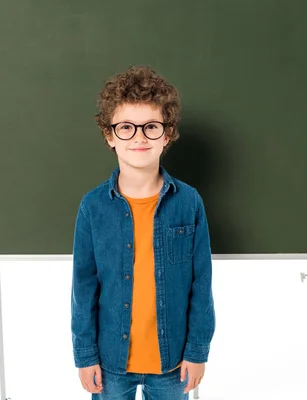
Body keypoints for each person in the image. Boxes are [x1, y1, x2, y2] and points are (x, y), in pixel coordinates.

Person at [71, 66, 216, 400]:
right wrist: (85, 355)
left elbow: (201, 282)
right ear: (109, 135)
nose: (138, 137)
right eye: (126, 127)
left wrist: (197, 351)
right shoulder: (93, 206)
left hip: (172, 361)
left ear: (167, 134)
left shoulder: (189, 202)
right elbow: (84, 286)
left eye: (151, 127)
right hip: (110, 362)